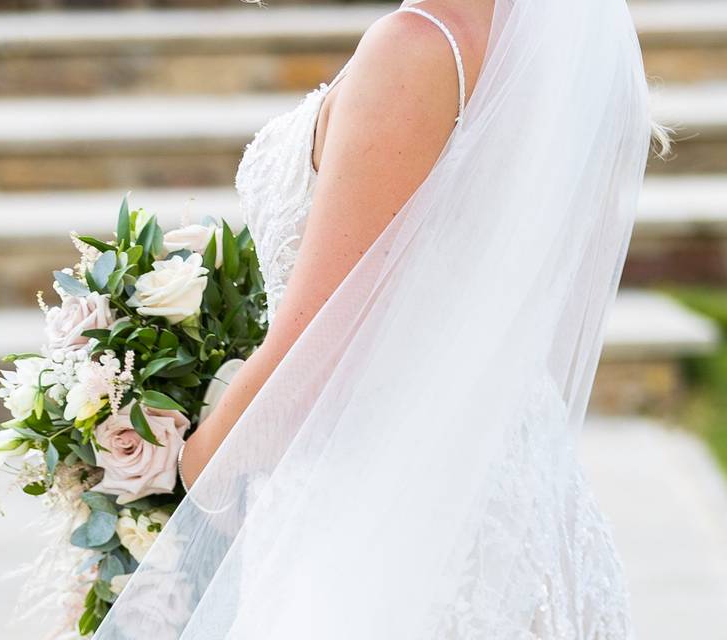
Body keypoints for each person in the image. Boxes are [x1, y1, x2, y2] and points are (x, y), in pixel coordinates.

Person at [97, 0, 661, 637]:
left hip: (378, 501)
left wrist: (191, 468)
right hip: (518, 488)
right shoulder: (543, 59)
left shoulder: (417, 48)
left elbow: (320, 346)